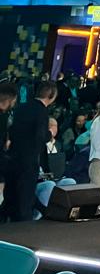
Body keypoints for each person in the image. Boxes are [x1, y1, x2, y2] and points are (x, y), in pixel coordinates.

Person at [1, 82, 57, 222]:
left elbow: (12, 130)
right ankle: (23, 228)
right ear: (52, 96)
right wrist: (50, 134)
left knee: (11, 196)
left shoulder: (21, 107)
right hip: (28, 162)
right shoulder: (42, 111)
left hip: (12, 158)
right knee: (25, 198)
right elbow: (40, 136)